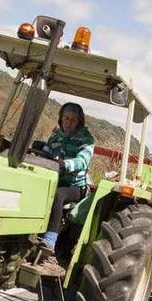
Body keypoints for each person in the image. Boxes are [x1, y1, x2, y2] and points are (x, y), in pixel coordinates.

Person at [39, 102, 94, 252]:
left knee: (57, 195)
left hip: (74, 186)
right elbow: (46, 151)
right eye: (66, 118)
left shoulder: (86, 140)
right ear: (61, 119)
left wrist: (65, 165)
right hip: (53, 178)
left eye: (73, 120)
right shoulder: (56, 135)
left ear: (79, 122)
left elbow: (83, 160)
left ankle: (50, 239)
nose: (69, 123)